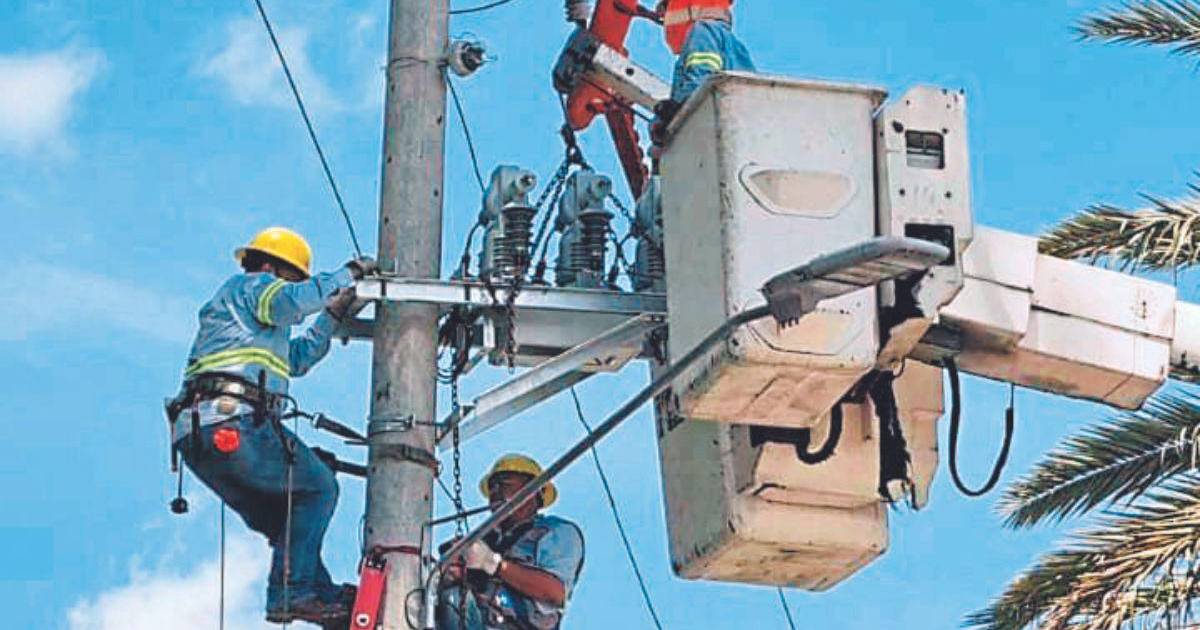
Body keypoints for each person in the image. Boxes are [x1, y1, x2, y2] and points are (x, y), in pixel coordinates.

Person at [166, 227, 376, 624]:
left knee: (290, 515)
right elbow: (294, 302)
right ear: (270, 268)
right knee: (317, 488)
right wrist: (349, 273)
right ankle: (293, 593)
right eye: (291, 279)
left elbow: (298, 358)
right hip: (233, 421)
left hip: (203, 435)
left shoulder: (254, 326)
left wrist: (332, 315)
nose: (290, 288)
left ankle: (317, 594)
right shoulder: (251, 286)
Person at [437, 454, 585, 630]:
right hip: (479, 621)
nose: (495, 493)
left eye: (505, 484)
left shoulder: (555, 532)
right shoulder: (485, 539)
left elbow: (553, 593)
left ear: (533, 491)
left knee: (454, 598)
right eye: (492, 487)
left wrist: (492, 563)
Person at [651, 0, 756, 151]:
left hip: (716, 131)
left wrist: (670, 117)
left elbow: (698, 87)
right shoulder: (724, 40)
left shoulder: (703, 32)